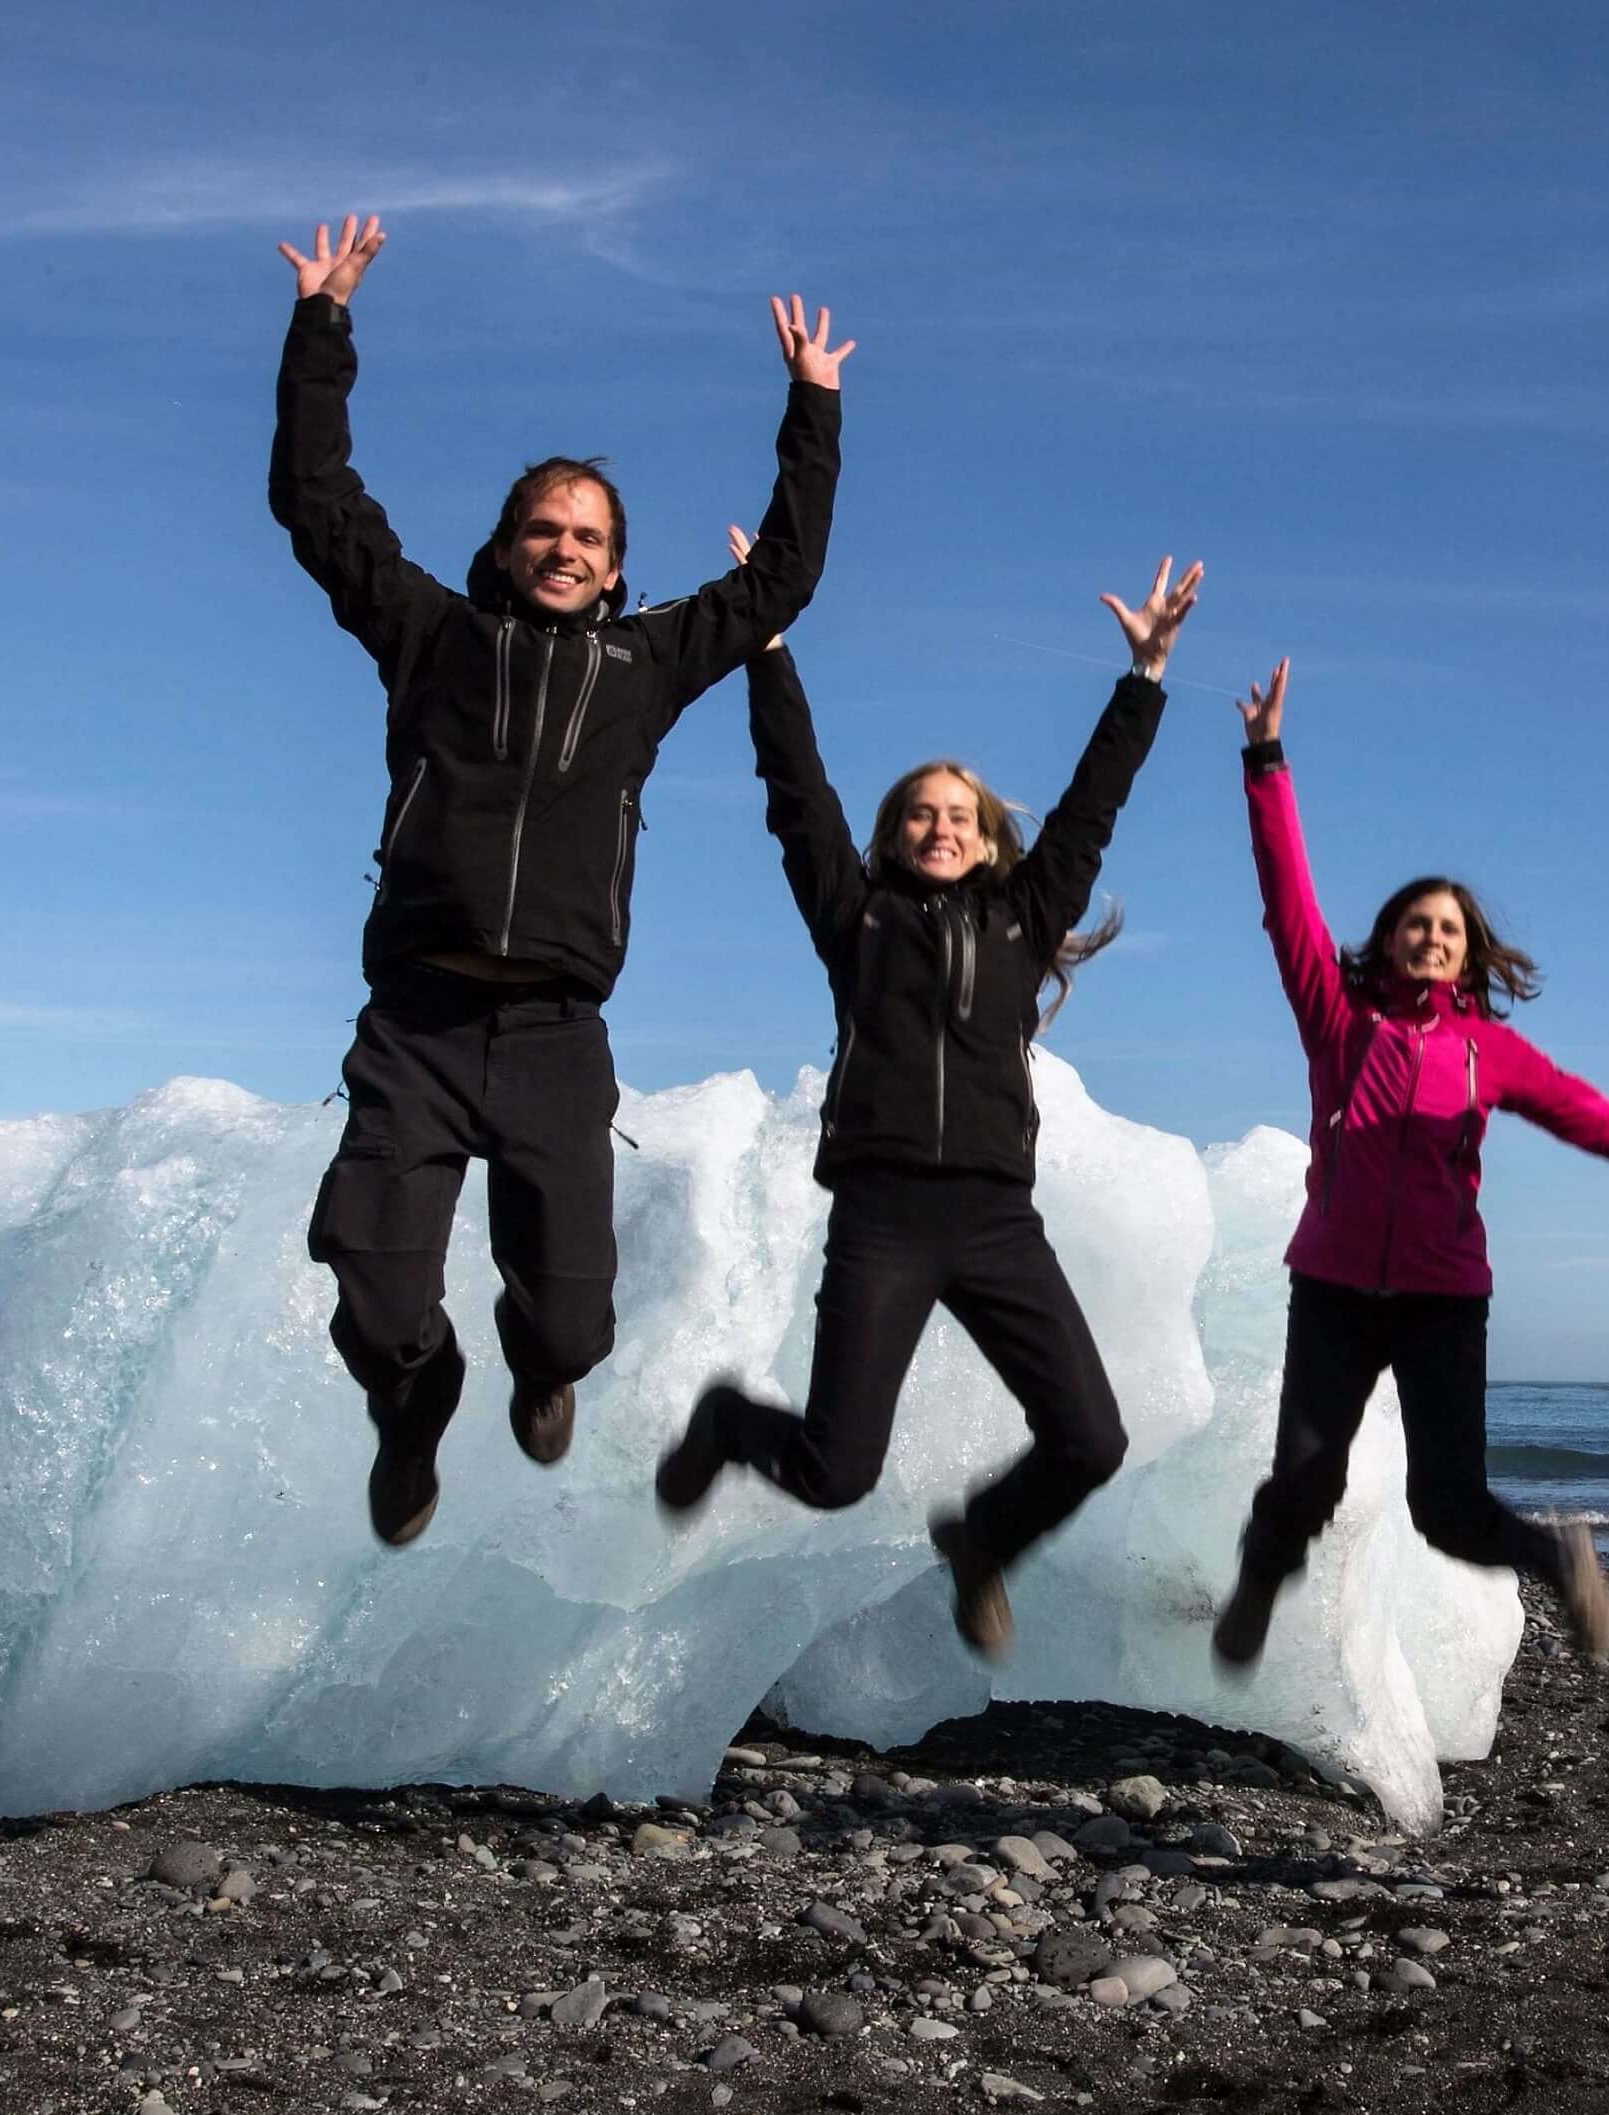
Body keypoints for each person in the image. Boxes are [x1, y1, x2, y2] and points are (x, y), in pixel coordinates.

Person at [269, 213, 851, 1548]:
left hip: (553, 1032)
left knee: (575, 1311)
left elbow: (787, 574)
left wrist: (811, 407)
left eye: (589, 533)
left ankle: (542, 1365)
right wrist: (324, 325)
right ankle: (416, 1405)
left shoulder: (645, 667)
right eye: (545, 527)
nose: (567, 546)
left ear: (615, 558)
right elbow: (317, 501)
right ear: (508, 541)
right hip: (414, 1019)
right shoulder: (432, 637)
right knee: (372, 1279)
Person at [653, 552, 1203, 1657]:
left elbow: (1092, 810)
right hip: (885, 1216)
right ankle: (727, 1422)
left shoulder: (1028, 916)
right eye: (919, 814)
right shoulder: (853, 917)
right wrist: (767, 648)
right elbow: (796, 791)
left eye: (960, 815)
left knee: (1090, 1440)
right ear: (895, 834)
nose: (940, 827)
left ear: (991, 836)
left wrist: (1142, 678)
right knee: (834, 1471)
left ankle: (983, 1540)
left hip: (998, 1220)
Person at [1211, 662, 1609, 1670]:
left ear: (1467, 957)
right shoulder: (1337, 1023)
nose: (1430, 939)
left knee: (1451, 1511)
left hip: (1441, 1301)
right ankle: (1260, 1579)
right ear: (1387, 940)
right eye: (1415, 924)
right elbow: (1286, 896)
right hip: (1335, 1288)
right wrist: (1266, 759)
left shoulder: (1491, 1054)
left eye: (1449, 931)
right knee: (1302, 1484)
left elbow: (1601, 1123)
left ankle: (1561, 1561)